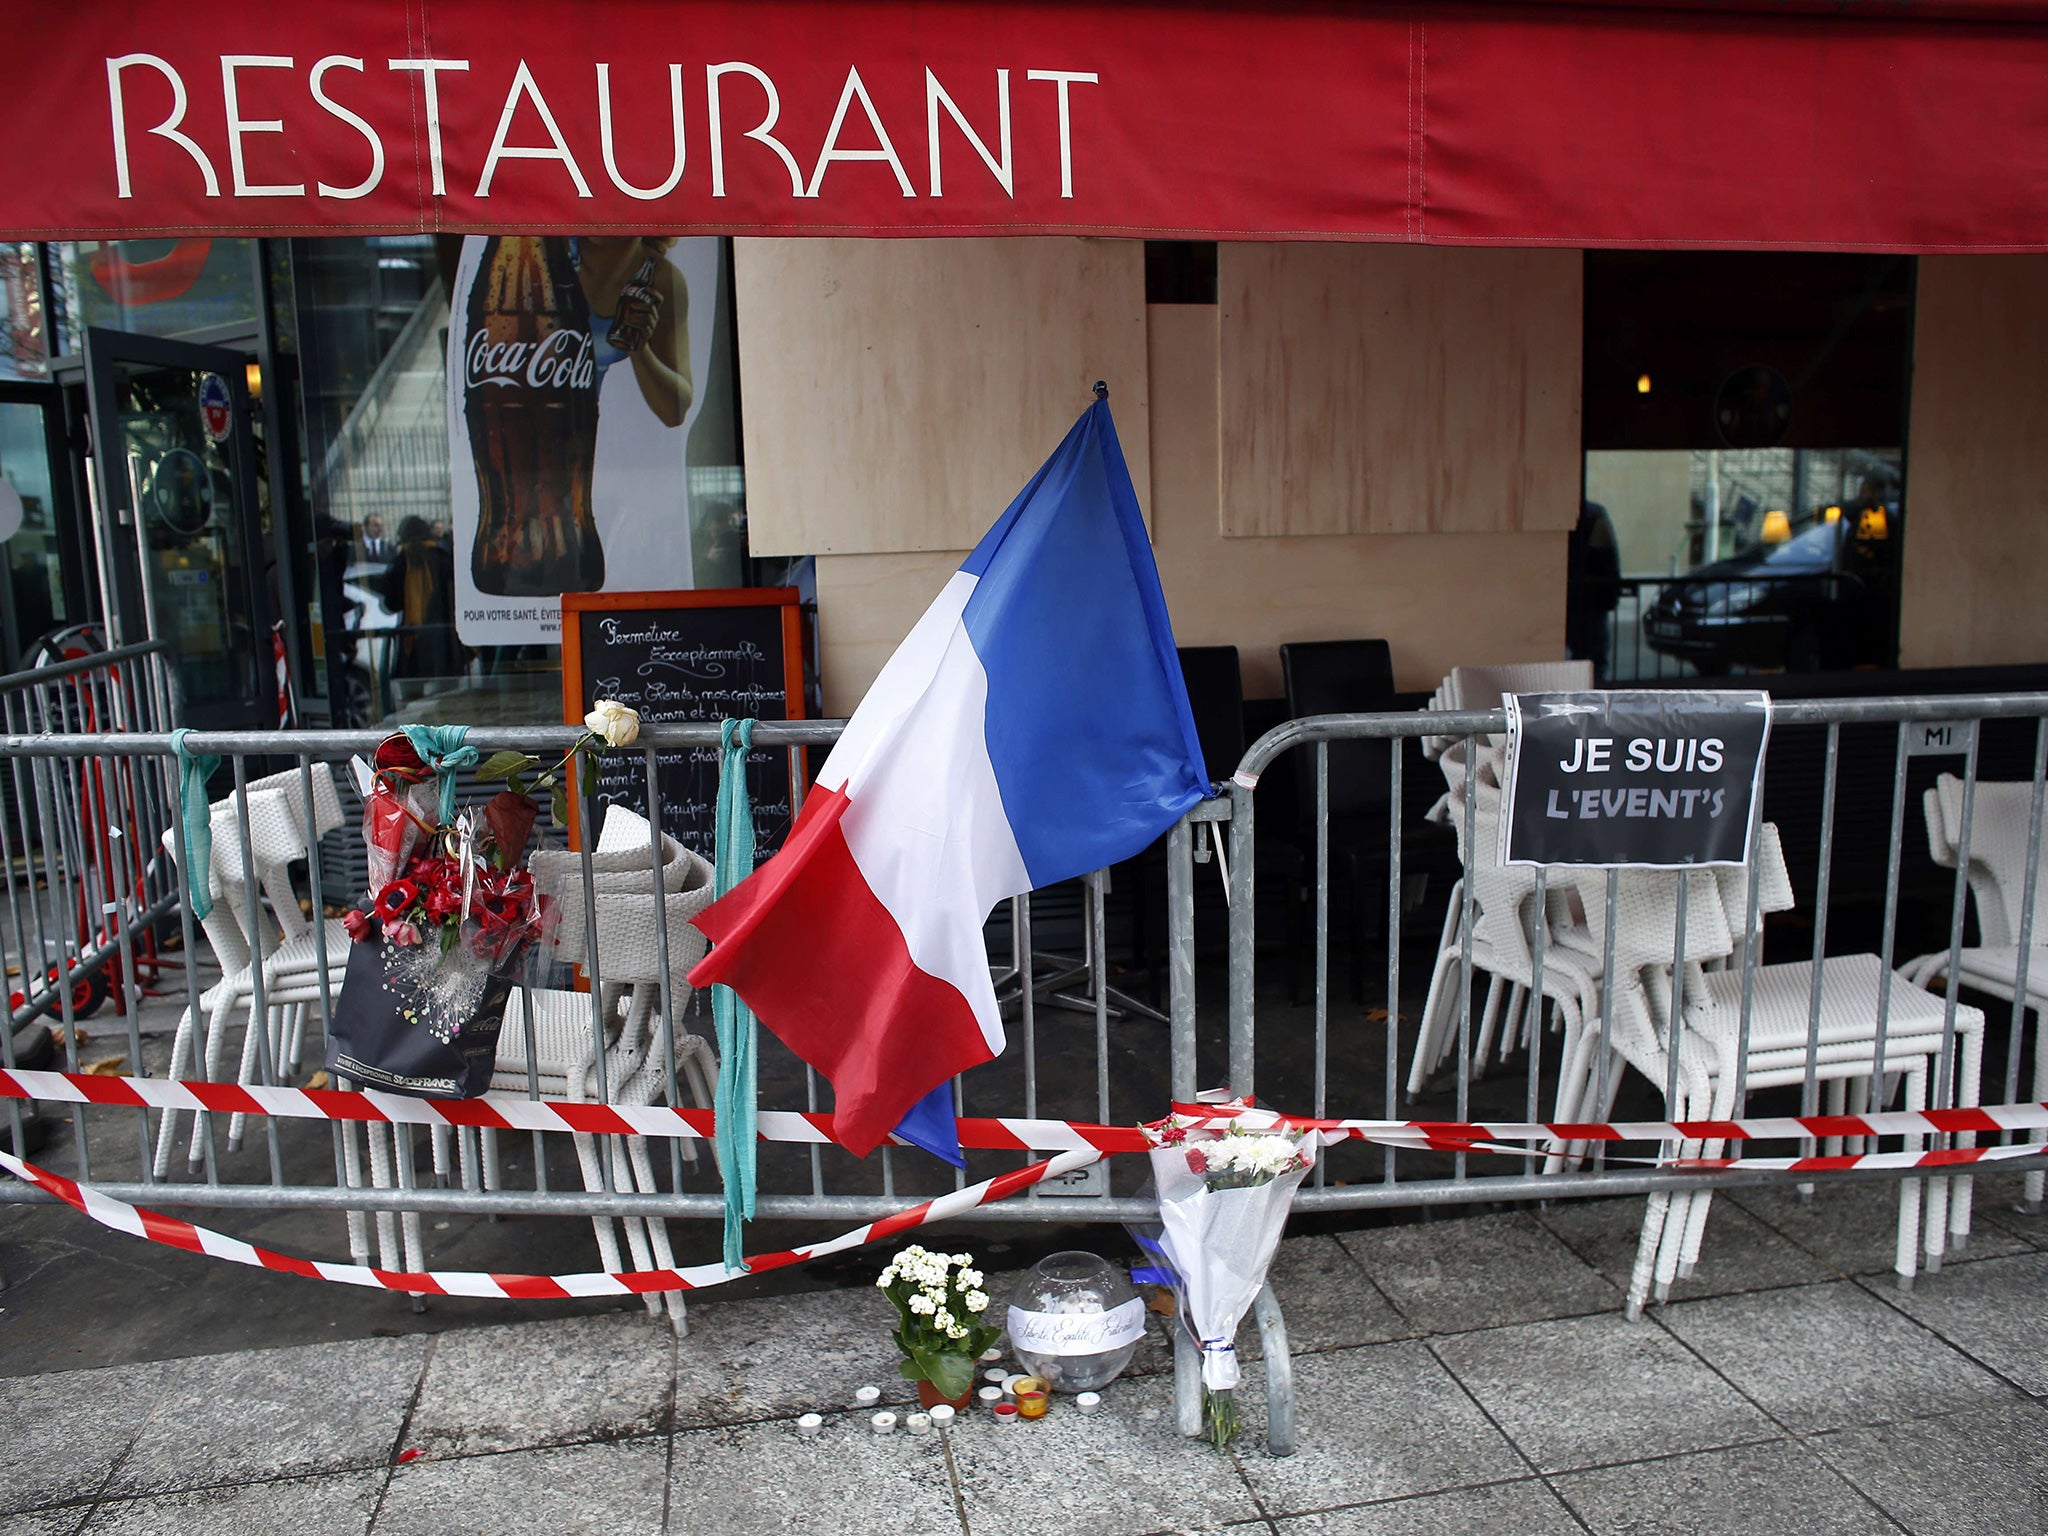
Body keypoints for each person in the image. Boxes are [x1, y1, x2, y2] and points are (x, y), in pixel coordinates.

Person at [570, 236, 694, 427]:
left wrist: (639, 348)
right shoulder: (547, 247)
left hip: (587, 434)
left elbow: (675, 410)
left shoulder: (661, 279)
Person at [373, 516, 465, 680]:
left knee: (414, 693)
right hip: (445, 638)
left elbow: (390, 604)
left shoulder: (401, 562)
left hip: (414, 638)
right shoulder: (444, 557)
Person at [1566, 499, 1622, 681]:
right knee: (1594, 663)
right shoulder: (1594, 515)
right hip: (1592, 601)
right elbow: (1607, 560)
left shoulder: (1564, 512)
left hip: (1573, 597)